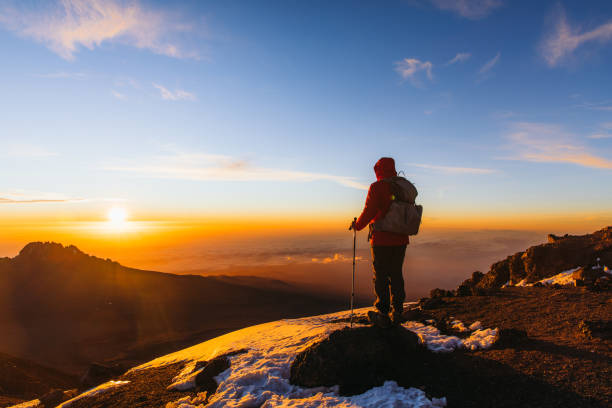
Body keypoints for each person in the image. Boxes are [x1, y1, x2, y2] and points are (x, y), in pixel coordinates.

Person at [350, 157, 413, 327]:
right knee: (396, 274)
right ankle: (398, 310)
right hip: (401, 238)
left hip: (382, 239)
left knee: (381, 275)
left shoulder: (377, 187)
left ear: (378, 170)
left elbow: (369, 210)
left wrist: (357, 225)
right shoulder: (403, 186)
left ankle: (383, 312)